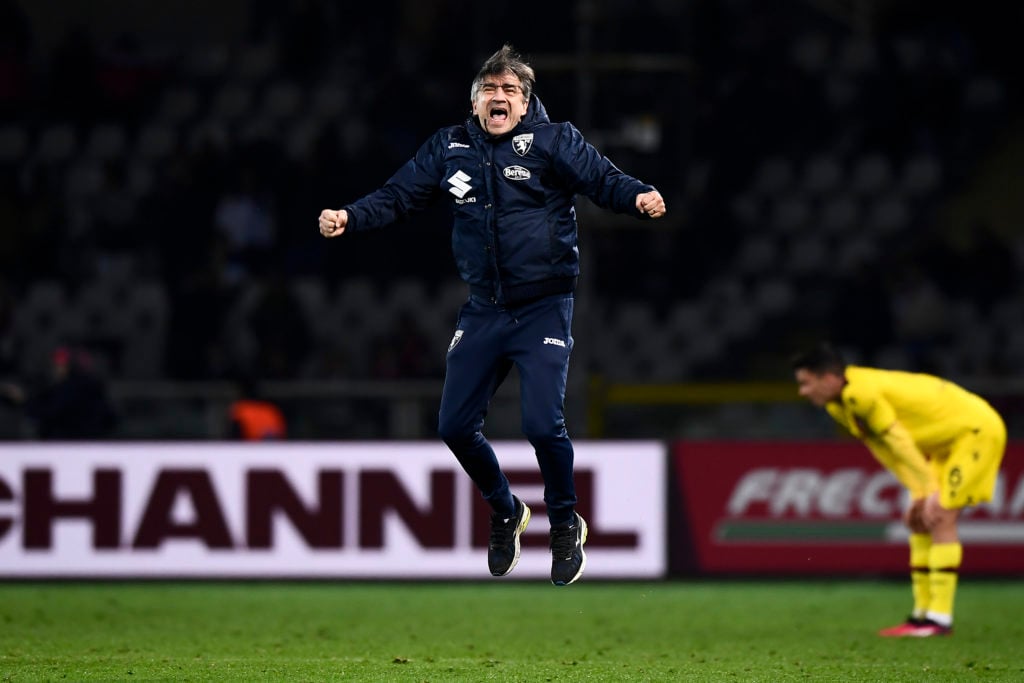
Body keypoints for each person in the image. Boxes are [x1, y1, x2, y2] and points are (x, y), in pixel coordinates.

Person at [318, 44, 666, 585]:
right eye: (489, 90)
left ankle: (565, 522)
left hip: (545, 307)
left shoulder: (554, 141)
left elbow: (603, 179)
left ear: (525, 104)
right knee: (453, 425)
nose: (498, 97)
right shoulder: (450, 147)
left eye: (510, 90)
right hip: (484, 310)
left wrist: (639, 194)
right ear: (476, 102)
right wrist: (350, 216)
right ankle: (506, 510)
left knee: (540, 425)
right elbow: (399, 195)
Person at [791, 343, 1006, 637]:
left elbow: (900, 442)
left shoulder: (860, 393)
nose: (802, 391)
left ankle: (939, 619)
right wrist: (917, 491)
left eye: (806, 383)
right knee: (918, 519)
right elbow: (883, 448)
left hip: (975, 432)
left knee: (941, 514)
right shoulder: (838, 405)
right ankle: (920, 616)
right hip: (945, 443)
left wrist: (928, 489)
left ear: (828, 378)